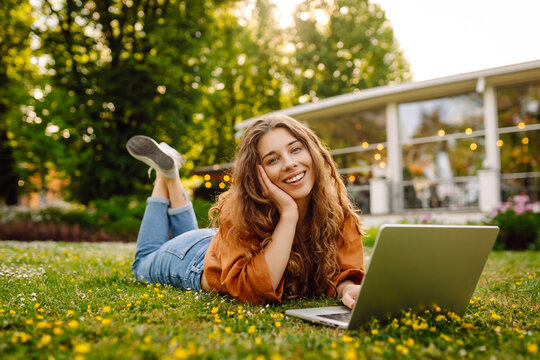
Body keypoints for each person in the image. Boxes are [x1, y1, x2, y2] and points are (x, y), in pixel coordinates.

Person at [127, 114, 365, 308]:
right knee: (141, 264)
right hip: (191, 260)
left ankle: (169, 171)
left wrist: (348, 288)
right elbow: (257, 290)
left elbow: (342, 273)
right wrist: (288, 214)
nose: (290, 163)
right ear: (257, 173)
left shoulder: (335, 211)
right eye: (273, 160)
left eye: (295, 149)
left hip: (223, 246)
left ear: (313, 152)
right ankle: (165, 175)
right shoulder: (240, 208)